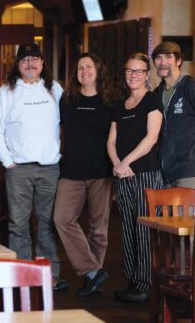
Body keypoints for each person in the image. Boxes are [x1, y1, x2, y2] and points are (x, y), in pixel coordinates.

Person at [0, 43, 66, 291]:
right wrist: (7, 161)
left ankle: (48, 274)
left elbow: (71, 123)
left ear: (43, 63)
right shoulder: (6, 91)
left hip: (50, 168)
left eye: (35, 59)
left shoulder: (54, 89)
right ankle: (21, 275)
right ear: (18, 65)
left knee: (48, 222)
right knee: (18, 223)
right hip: (18, 169)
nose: (30, 64)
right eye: (25, 60)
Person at [53, 53, 119, 297]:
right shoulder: (67, 99)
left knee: (98, 229)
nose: (84, 71)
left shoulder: (110, 101)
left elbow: (117, 137)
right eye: (80, 67)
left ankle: (93, 279)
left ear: (97, 70)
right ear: (76, 73)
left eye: (89, 66)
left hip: (101, 172)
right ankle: (91, 270)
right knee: (62, 218)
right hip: (71, 171)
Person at [107, 52, 164, 303]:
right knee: (127, 229)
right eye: (129, 71)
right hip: (123, 175)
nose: (133, 75)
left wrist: (126, 162)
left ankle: (146, 284)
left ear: (147, 75)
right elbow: (111, 141)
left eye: (138, 71)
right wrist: (117, 164)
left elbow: (151, 139)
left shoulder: (153, 101)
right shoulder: (120, 105)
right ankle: (133, 281)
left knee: (143, 230)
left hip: (146, 175)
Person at [151, 42, 195, 189]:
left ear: (179, 60)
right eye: (158, 58)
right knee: (167, 213)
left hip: (189, 171)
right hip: (165, 172)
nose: (163, 62)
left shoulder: (192, 88)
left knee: (186, 213)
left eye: (168, 57)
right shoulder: (157, 94)